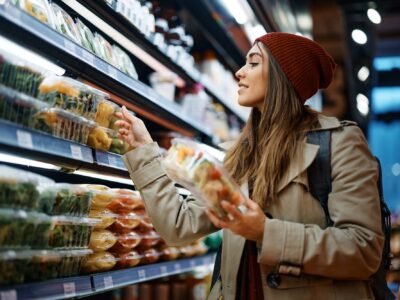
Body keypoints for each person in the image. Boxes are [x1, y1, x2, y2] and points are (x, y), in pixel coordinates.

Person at [115, 32, 384, 299]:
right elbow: (179, 225)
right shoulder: (241, 155)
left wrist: (266, 232)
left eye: (254, 63)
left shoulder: (339, 143)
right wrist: (144, 151)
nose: (239, 73)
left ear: (283, 76)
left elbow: (363, 249)